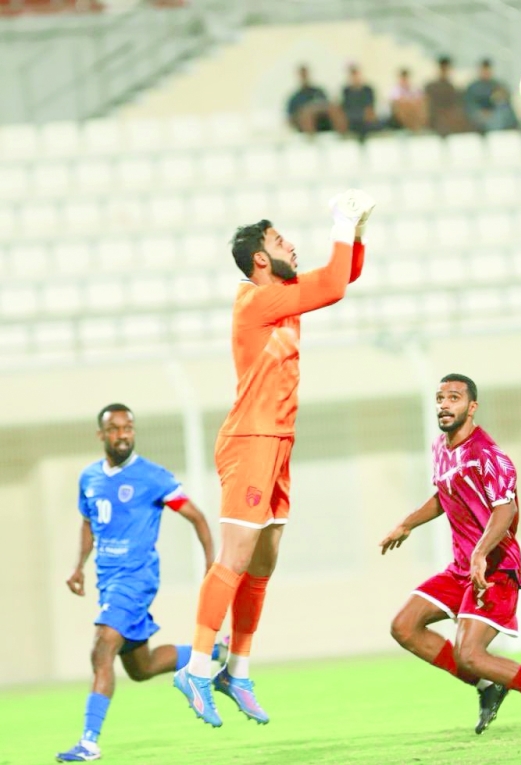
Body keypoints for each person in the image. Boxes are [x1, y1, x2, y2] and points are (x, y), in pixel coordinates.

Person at [173, 190, 375, 727]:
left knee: (262, 565)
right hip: (251, 440)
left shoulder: (282, 292)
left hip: (279, 440)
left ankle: (236, 671)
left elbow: (343, 277)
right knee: (234, 558)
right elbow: (333, 284)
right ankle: (194, 667)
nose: (292, 246)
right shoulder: (257, 300)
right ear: (260, 258)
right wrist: (342, 220)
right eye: (280, 240)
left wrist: (356, 232)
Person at [381, 374, 521, 736]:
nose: (444, 404)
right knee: (404, 627)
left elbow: (503, 511)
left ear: (472, 407)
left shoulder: (489, 455)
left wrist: (480, 553)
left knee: (471, 655)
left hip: (495, 567)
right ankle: (487, 685)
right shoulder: (440, 449)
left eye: (454, 398)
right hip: (463, 567)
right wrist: (407, 524)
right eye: (440, 398)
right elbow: (444, 496)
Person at [57, 404, 218, 763]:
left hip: (137, 579)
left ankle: (89, 743)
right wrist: (78, 566)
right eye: (114, 429)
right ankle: (216, 653)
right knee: (141, 668)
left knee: (101, 649)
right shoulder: (90, 478)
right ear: (102, 435)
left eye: (128, 427)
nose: (123, 434)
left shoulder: (152, 477)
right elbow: (89, 523)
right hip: (109, 581)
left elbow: (197, 517)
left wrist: (211, 563)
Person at [287, 65, 344, 135]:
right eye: (302, 75)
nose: (305, 77)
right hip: (304, 123)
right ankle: (311, 138)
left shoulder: (318, 91)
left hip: (323, 120)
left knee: (334, 108)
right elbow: (291, 116)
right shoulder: (295, 98)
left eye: (306, 74)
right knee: (307, 112)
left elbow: (326, 104)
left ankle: (342, 134)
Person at [464, 59, 518, 133]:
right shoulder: (473, 87)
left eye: (487, 70)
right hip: (479, 116)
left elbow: (506, 99)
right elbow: (469, 105)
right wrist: (482, 112)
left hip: (496, 114)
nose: (486, 73)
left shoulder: (497, 85)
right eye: (484, 70)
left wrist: (501, 96)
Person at [425, 56, 472, 136]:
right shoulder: (432, 87)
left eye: (446, 69)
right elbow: (430, 106)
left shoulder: (452, 87)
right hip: (438, 117)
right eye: (443, 69)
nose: (445, 71)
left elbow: (457, 105)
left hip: (451, 116)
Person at [341, 64, 380, 141]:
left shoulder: (367, 90)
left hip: (365, 117)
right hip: (351, 118)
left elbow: (370, 106)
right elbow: (345, 106)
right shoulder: (346, 91)